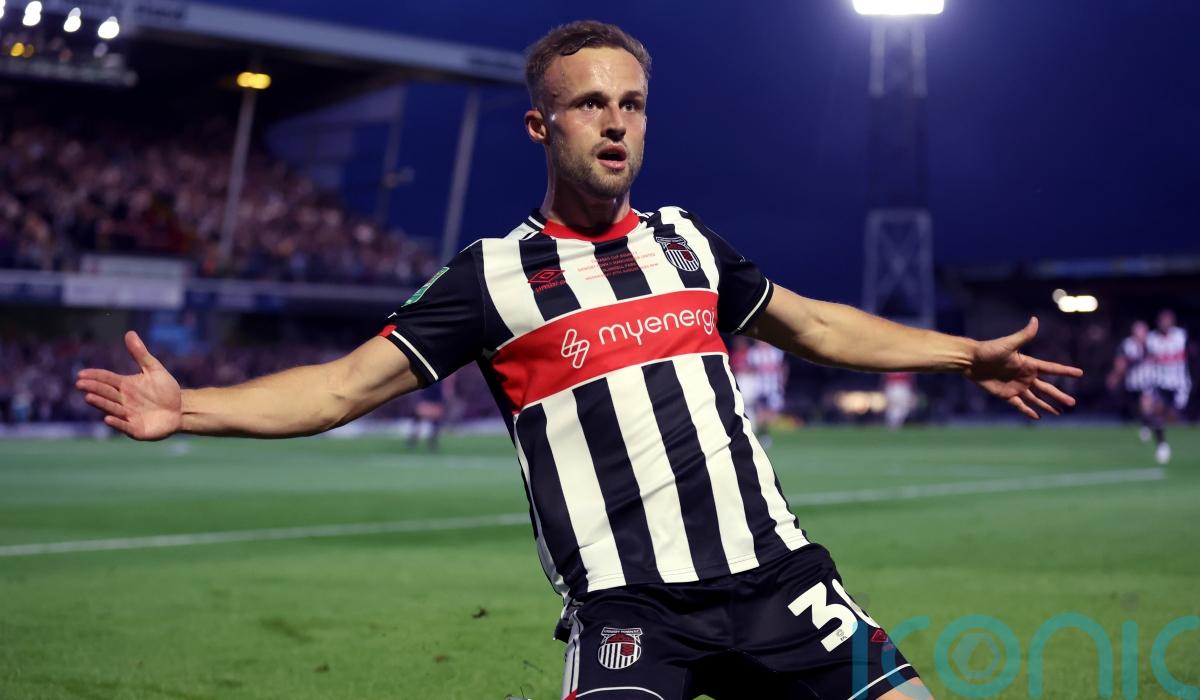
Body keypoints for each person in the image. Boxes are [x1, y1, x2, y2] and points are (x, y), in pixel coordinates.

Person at [76, 21, 1082, 700]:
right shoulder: (489, 278)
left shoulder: (689, 244)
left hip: (781, 581)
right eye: (592, 103)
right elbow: (341, 387)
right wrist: (189, 407)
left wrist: (965, 355)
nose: (615, 121)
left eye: (632, 103)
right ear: (541, 123)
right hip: (630, 607)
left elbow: (816, 326)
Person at [1144, 310, 1191, 464]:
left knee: (1174, 416)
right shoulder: (1152, 339)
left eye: (1168, 320)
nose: (1165, 324)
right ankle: (1162, 445)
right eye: (1162, 321)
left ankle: (1152, 425)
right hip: (1160, 383)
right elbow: (1150, 360)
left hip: (1179, 384)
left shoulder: (1181, 336)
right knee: (1157, 409)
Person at [731, 336, 788, 446]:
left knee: (771, 415)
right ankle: (763, 436)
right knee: (760, 414)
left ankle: (765, 434)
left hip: (773, 388)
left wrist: (782, 382)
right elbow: (747, 369)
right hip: (759, 388)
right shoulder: (753, 353)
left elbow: (783, 367)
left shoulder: (776, 352)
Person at [1107, 320, 1154, 443]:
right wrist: (1115, 375)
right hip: (1131, 382)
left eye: (1142, 331)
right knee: (1132, 409)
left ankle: (1145, 428)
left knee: (1146, 403)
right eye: (1138, 331)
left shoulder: (1152, 342)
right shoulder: (1127, 344)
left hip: (1148, 380)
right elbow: (1120, 362)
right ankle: (1134, 424)